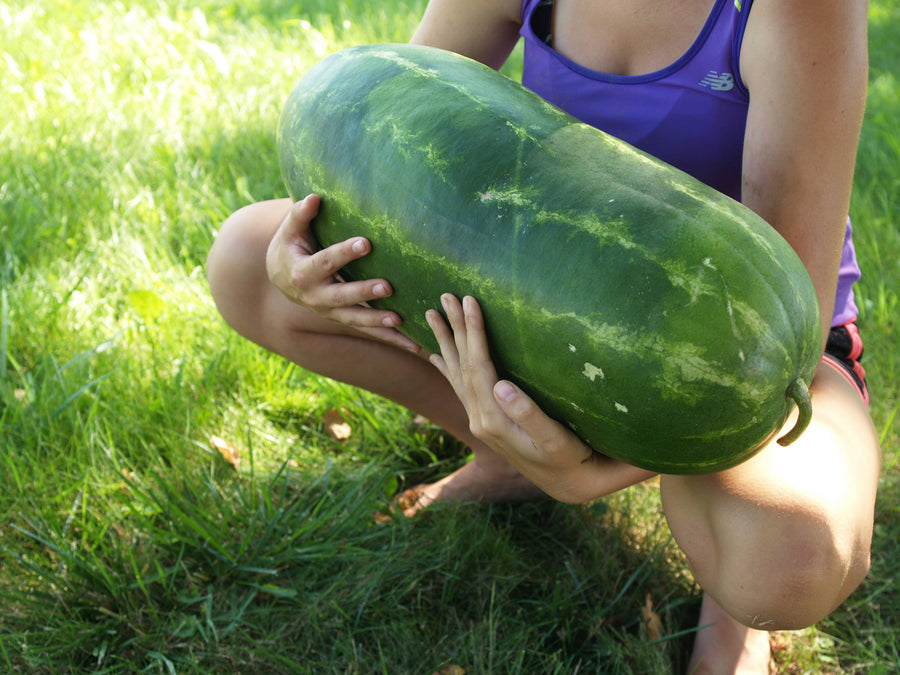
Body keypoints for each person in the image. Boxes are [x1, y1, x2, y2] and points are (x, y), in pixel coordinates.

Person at [206, 0, 880, 671]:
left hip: (738, 367)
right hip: (531, 329)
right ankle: (505, 454)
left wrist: (589, 475)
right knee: (245, 260)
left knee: (790, 561)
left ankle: (731, 611)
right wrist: (302, 256)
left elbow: (783, 318)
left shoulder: (800, 10)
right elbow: (387, 124)